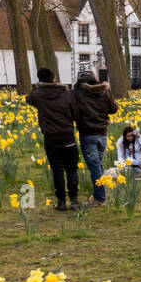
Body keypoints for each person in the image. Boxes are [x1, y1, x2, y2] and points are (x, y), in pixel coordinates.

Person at [26, 68, 81, 211]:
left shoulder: (37, 95)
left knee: (57, 170)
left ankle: (61, 202)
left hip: (50, 138)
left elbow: (29, 98)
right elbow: (76, 115)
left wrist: (39, 87)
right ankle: (74, 201)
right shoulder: (67, 94)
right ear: (54, 78)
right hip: (68, 136)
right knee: (71, 170)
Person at [72, 70, 118, 206]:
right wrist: (108, 92)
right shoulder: (103, 91)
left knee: (95, 166)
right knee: (98, 164)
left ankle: (99, 198)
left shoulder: (77, 93)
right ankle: (99, 195)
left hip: (87, 134)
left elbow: (73, 112)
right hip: (102, 133)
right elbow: (113, 109)